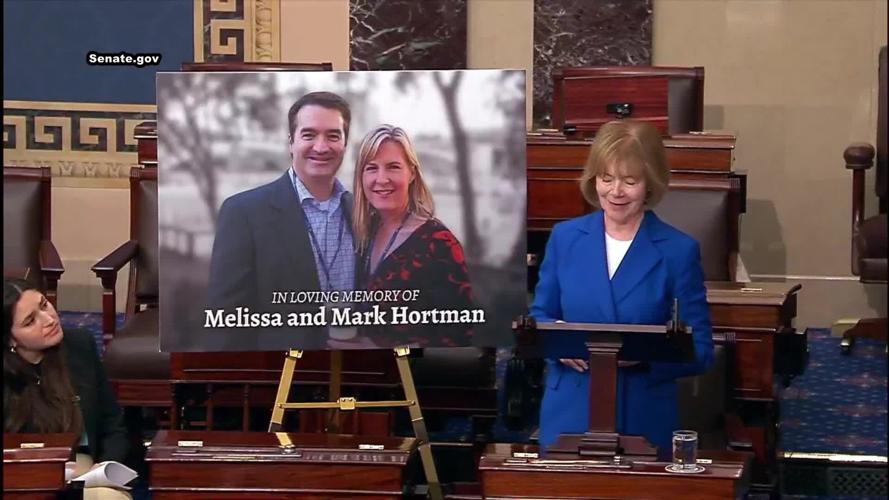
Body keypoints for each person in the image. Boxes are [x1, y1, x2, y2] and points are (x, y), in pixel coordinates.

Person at [531, 120, 714, 453]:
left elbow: (701, 350)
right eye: (606, 178)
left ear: (650, 185)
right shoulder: (565, 238)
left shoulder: (678, 251)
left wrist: (644, 356)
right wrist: (558, 343)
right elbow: (540, 317)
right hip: (570, 410)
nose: (615, 192)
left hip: (641, 417)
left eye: (629, 181)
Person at [205, 91, 355, 348]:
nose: (321, 147)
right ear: (291, 142)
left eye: (333, 136)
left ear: (345, 144)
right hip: (279, 370)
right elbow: (226, 317)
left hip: (362, 366)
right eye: (308, 135)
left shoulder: (364, 212)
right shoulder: (243, 212)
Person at [4, 278, 131, 499]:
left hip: (83, 470)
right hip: (24, 475)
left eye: (44, 305)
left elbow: (114, 423)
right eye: (30, 321)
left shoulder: (80, 345)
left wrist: (106, 466)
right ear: (10, 340)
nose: (49, 319)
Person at [351, 124, 475, 348]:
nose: (381, 179)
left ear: (412, 174)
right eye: (371, 168)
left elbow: (458, 335)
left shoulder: (439, 243)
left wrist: (379, 350)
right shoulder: (360, 234)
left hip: (413, 378)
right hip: (357, 375)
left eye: (393, 167)